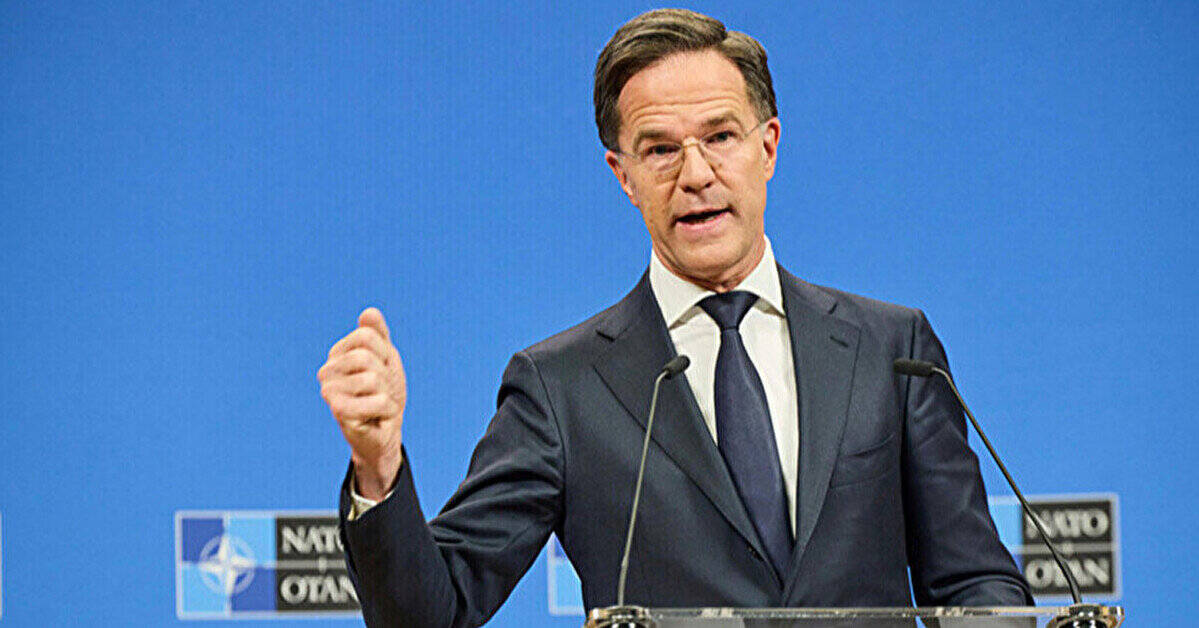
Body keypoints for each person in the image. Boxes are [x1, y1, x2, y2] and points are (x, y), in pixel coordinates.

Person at [317, 9, 1033, 627]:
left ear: (767, 146)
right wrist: (378, 469)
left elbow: (975, 582)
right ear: (622, 175)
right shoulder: (561, 386)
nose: (695, 174)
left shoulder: (891, 349)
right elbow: (432, 614)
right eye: (660, 149)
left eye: (720, 137)